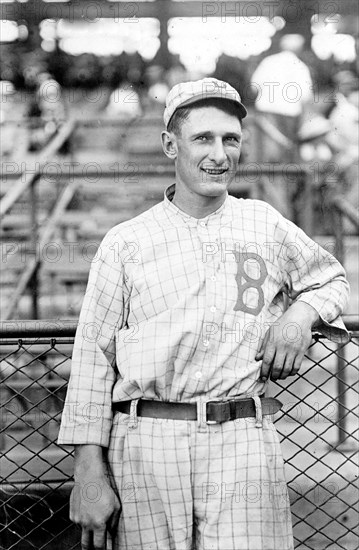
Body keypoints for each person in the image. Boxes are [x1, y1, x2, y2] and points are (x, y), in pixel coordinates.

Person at [58, 77, 350, 550]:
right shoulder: (126, 241)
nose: (219, 154)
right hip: (148, 439)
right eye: (203, 138)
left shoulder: (264, 222)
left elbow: (331, 279)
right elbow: (93, 359)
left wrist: (299, 317)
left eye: (230, 139)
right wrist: (89, 470)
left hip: (242, 437)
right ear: (170, 145)